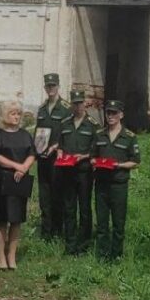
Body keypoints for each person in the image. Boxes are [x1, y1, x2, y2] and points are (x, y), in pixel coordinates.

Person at [0, 100, 36, 271]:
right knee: (2, 219)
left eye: (18, 114)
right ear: (4, 115)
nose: (16, 117)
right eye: (13, 113)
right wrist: (17, 166)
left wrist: (24, 168)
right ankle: (1, 255)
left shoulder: (25, 134)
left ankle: (12, 255)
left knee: (17, 219)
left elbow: (32, 153)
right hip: (2, 179)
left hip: (20, 180)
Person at [93, 100, 140, 260]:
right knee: (102, 221)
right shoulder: (99, 134)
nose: (110, 116)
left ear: (121, 115)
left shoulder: (129, 137)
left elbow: (135, 161)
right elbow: (93, 156)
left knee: (118, 222)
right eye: (108, 112)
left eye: (114, 113)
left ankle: (116, 255)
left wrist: (118, 165)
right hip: (101, 184)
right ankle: (102, 254)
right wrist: (95, 162)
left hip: (119, 184)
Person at [58, 90, 99, 255]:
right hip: (67, 170)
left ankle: (84, 243)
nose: (77, 106)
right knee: (68, 207)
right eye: (74, 103)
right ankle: (70, 242)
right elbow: (60, 144)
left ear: (85, 103)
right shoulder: (65, 123)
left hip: (84, 172)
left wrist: (84, 156)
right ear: (71, 104)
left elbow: (97, 150)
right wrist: (60, 153)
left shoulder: (92, 125)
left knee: (84, 207)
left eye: (80, 103)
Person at [34, 73, 71, 241]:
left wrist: (56, 146)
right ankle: (46, 231)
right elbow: (39, 132)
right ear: (45, 87)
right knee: (44, 193)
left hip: (58, 157)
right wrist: (36, 150)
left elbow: (69, 132)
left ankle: (57, 230)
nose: (50, 88)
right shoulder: (42, 108)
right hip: (43, 157)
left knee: (57, 192)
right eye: (48, 86)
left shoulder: (66, 108)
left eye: (53, 85)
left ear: (58, 86)